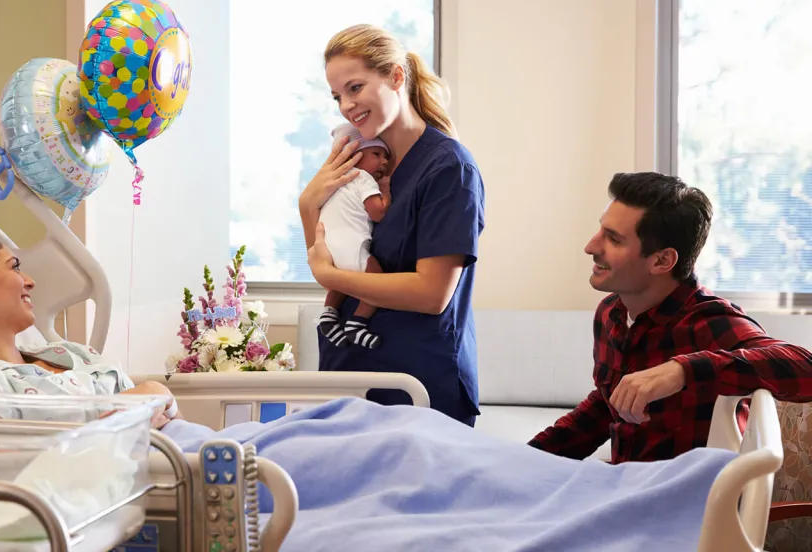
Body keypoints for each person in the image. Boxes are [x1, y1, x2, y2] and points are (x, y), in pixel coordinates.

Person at [529, 171, 812, 464]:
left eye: (613, 239)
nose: (591, 247)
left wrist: (681, 371)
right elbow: (606, 407)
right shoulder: (610, 314)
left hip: (687, 502)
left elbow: (805, 366)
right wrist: (524, 459)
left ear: (662, 261)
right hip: (624, 485)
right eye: (601, 230)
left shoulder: (709, 321)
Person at [299, 24, 486, 427]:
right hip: (349, 370)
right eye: (337, 96)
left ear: (397, 76)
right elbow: (332, 259)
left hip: (417, 383)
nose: (346, 105)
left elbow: (431, 293)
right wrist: (307, 204)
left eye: (355, 87)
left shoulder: (449, 169)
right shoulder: (358, 162)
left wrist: (328, 274)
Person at [0, 228, 180, 428]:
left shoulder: (67, 353)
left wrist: (156, 399)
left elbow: (167, 418)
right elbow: (36, 458)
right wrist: (147, 399)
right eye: (13, 267)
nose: (29, 280)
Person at [317, 121, 392, 350]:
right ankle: (358, 323)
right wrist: (386, 189)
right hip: (352, 242)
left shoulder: (332, 183)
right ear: (355, 156)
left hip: (330, 245)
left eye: (386, 156)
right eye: (377, 154)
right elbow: (377, 213)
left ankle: (328, 316)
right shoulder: (362, 178)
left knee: (340, 283)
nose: (385, 162)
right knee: (376, 279)